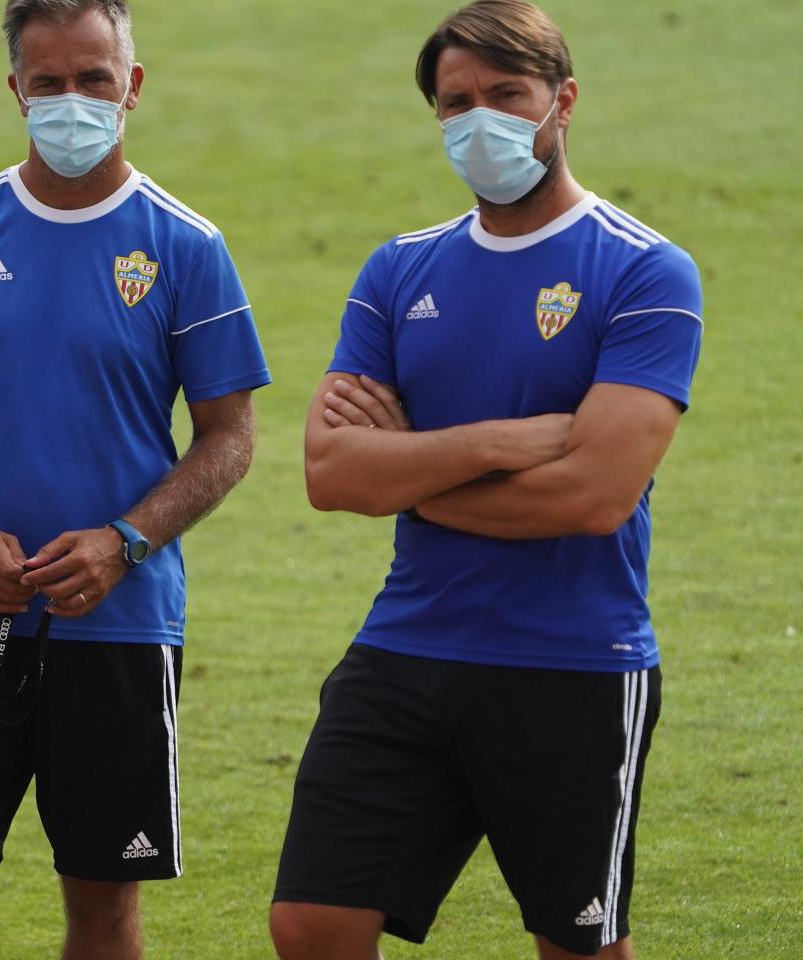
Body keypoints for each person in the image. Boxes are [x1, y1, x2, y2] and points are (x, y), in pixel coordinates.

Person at [270, 2, 703, 958]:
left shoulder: (646, 272)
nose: (482, 122)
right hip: (407, 646)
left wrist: (411, 471)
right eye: (456, 103)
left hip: (573, 664)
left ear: (564, 102)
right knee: (309, 925)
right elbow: (333, 470)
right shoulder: (398, 270)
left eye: (508, 96)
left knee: (577, 946)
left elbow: (594, 496)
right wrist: (502, 441)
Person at [0, 2, 271, 957]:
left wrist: (126, 543)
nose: (73, 101)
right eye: (49, 82)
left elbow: (230, 436)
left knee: (102, 899)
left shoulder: (186, 246)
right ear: (16, 91)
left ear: (133, 85)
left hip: (119, 627)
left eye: (94, 79)